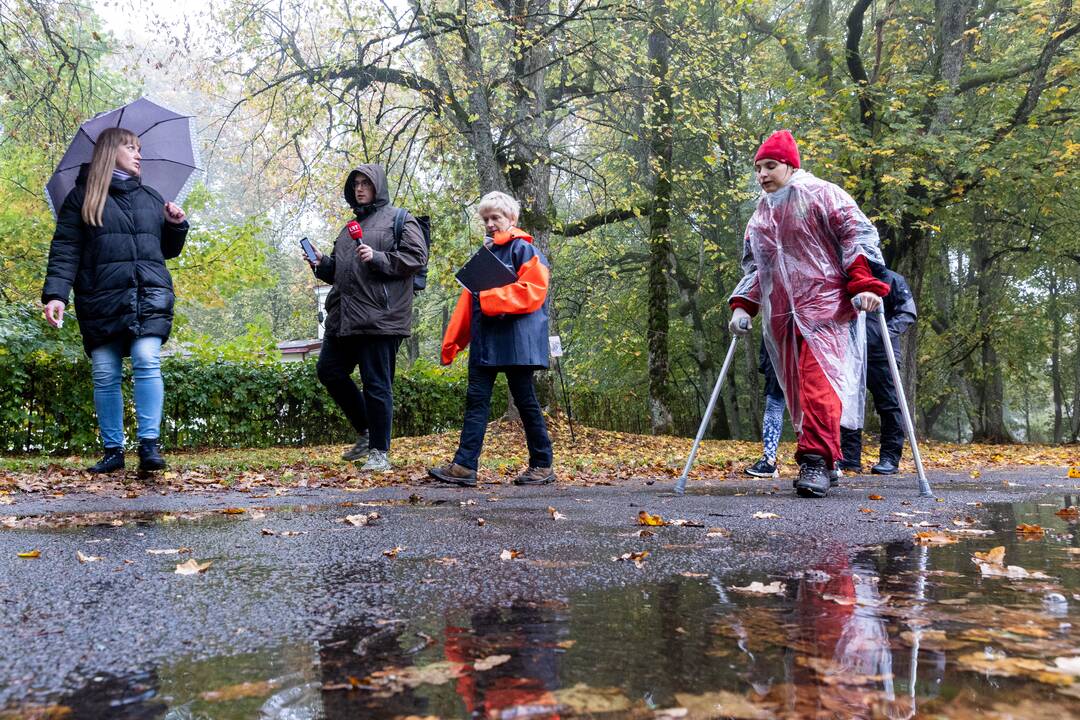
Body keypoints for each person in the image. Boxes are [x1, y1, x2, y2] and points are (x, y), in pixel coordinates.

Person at [728, 129, 890, 498]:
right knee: (800, 394)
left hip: (825, 310)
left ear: (789, 165)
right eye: (758, 168)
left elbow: (856, 237)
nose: (762, 174)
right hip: (783, 314)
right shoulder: (761, 216)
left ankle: (815, 460)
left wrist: (864, 283)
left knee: (820, 386)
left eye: (770, 166)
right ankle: (828, 460)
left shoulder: (822, 195)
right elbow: (757, 268)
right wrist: (743, 305)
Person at [41, 127, 189, 473]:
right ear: (110, 152)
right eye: (131, 148)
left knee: (146, 358)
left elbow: (168, 251)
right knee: (105, 372)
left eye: (139, 149)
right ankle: (113, 452)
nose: (139, 155)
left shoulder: (152, 198)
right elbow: (65, 250)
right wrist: (56, 295)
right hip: (100, 298)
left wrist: (176, 225)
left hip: (148, 294)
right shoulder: (82, 199)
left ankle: (149, 446)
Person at [428, 191, 554, 487]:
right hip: (486, 342)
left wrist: (489, 298)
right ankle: (463, 466)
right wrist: (454, 342)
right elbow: (467, 303)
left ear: (512, 218)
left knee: (526, 402)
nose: (490, 223)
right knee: (476, 402)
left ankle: (542, 464)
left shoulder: (525, 250)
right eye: (485, 219)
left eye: (495, 217)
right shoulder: (485, 256)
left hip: (514, 342)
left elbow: (533, 292)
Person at [306, 164, 427, 472]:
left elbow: (416, 258)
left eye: (365, 184)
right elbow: (342, 274)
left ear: (378, 187)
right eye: (355, 184)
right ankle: (366, 431)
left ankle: (379, 453)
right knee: (329, 370)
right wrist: (322, 263)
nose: (359, 189)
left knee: (377, 384)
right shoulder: (349, 229)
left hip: (381, 317)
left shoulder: (400, 219)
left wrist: (379, 257)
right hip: (344, 317)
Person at [840, 268, 917, 475]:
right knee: (849, 405)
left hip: (884, 354)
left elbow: (907, 312)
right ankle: (849, 457)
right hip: (851, 352)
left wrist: (883, 333)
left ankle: (890, 458)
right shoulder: (846, 277)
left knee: (890, 405)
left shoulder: (892, 279)